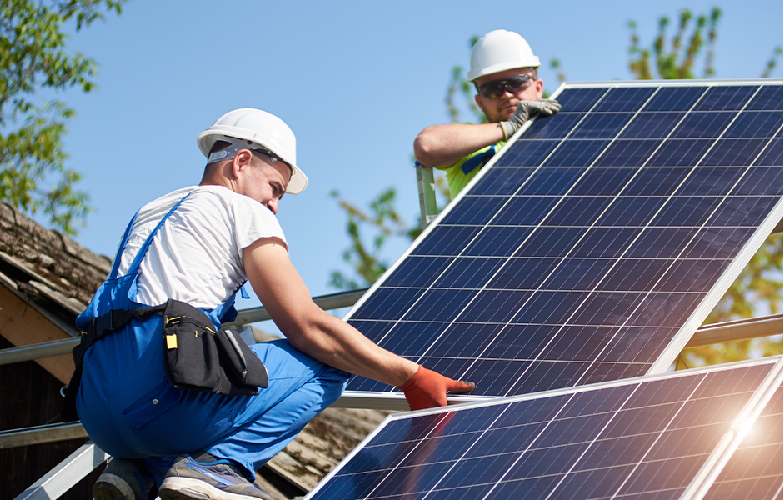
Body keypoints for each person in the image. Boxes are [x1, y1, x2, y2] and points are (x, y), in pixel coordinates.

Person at [75, 108, 474, 500]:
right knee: (328, 360)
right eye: (274, 188)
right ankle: (219, 468)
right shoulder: (243, 210)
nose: (275, 205)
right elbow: (307, 326)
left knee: (221, 360)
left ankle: (138, 469)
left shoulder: (153, 210)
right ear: (241, 162)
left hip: (97, 414)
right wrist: (410, 376)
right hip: (161, 401)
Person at [413, 29, 562, 198]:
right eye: (492, 89)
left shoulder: (568, 137)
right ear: (479, 102)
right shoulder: (470, 145)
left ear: (538, 88)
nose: (506, 94)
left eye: (517, 82)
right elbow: (426, 145)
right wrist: (510, 127)